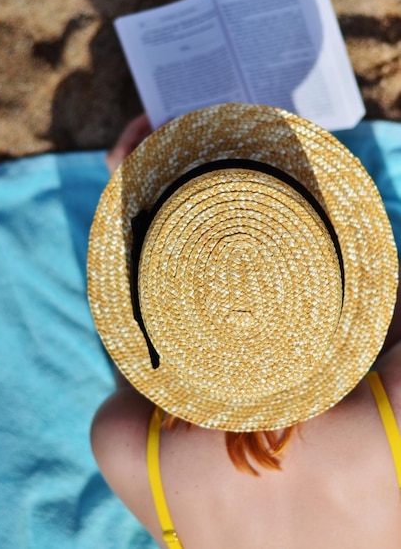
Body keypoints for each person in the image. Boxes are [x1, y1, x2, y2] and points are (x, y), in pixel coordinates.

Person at [88, 103, 401, 549]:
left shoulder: (123, 443)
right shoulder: (390, 417)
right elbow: (385, 293)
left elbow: (143, 366)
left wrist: (129, 199)